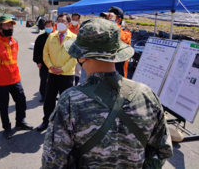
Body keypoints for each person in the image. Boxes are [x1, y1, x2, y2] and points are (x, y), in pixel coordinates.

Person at [42, 18, 173, 168]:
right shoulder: (146, 95)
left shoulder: (70, 101)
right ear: (117, 53)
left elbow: (53, 162)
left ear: (81, 56)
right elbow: (163, 150)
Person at [0, 15, 33, 139]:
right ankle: (7, 127)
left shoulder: (14, 41)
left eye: (11, 25)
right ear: (0, 27)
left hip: (15, 78)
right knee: (4, 105)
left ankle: (20, 122)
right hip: (1, 81)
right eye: (7, 25)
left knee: (21, 100)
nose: (10, 27)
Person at [36, 13, 77, 132]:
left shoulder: (74, 38)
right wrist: (50, 66)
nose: (60, 23)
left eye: (63, 21)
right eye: (58, 20)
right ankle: (46, 121)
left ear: (68, 24)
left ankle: (64, 125)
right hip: (52, 73)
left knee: (66, 101)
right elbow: (45, 54)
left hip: (67, 74)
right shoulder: (52, 36)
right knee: (49, 98)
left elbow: (75, 57)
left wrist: (62, 69)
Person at [100, 6, 132, 78]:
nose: (106, 19)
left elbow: (120, 38)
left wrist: (112, 23)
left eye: (110, 17)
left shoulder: (127, 34)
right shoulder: (105, 33)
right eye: (106, 17)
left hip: (118, 76)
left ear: (119, 20)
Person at [33, 20, 54, 102]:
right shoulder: (40, 38)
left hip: (54, 63)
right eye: (47, 26)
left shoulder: (56, 37)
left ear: (53, 27)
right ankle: (43, 95)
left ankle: (52, 94)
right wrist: (38, 61)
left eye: (50, 26)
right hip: (43, 63)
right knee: (44, 79)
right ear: (44, 27)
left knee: (53, 80)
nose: (48, 27)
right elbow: (36, 51)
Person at [69, 12, 82, 86]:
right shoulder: (68, 28)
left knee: (78, 70)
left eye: (76, 19)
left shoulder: (82, 29)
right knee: (69, 69)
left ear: (79, 20)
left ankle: (76, 85)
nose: (74, 21)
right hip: (69, 52)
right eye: (73, 19)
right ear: (71, 19)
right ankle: (68, 85)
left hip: (78, 53)